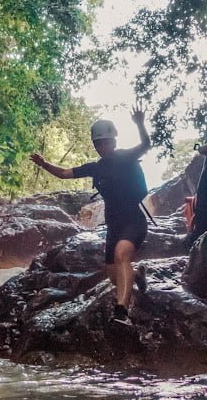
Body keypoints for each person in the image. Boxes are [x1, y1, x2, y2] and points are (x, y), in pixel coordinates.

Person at [30, 102, 151, 325]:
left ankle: (121, 312)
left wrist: (140, 124)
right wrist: (44, 164)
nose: (102, 146)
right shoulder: (95, 167)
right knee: (115, 277)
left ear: (113, 141)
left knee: (122, 254)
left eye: (105, 142)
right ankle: (138, 274)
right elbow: (65, 173)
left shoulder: (125, 157)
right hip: (113, 225)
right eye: (98, 143)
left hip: (133, 220)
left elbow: (145, 144)